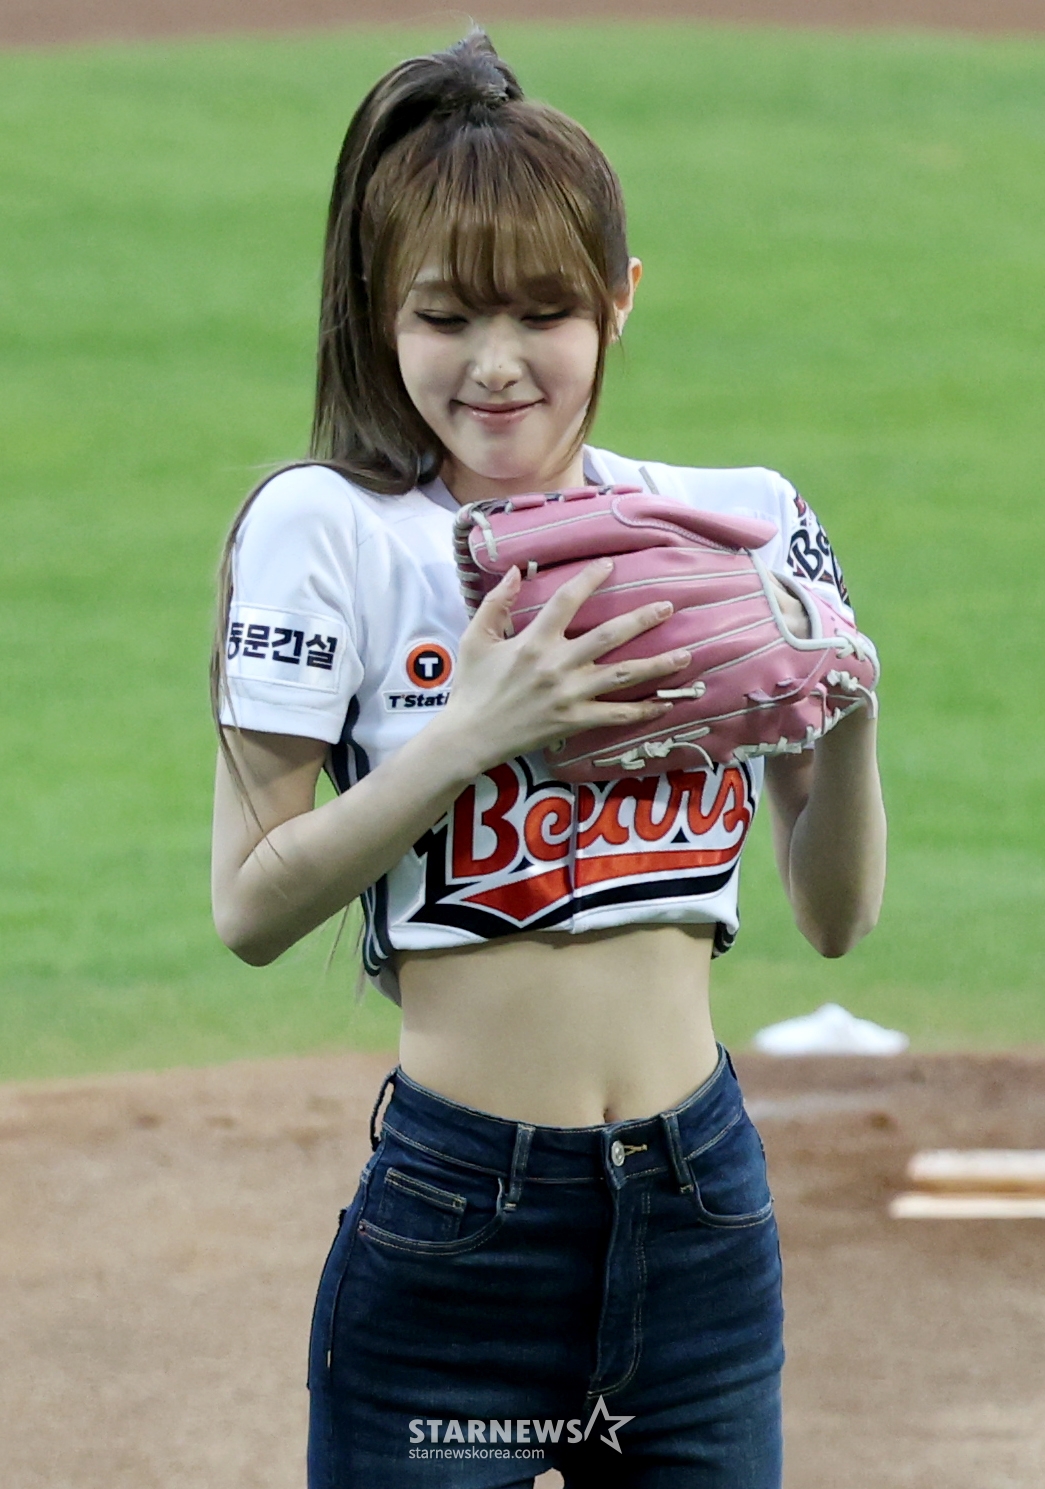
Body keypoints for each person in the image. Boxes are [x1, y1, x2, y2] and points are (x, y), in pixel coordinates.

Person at [209, 29, 886, 1489]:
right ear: (380, 312)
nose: (497, 363)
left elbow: (834, 919)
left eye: (545, 311)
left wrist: (851, 713)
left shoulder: (740, 526)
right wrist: (476, 733)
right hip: (460, 1225)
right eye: (446, 316)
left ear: (619, 298)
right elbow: (251, 906)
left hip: (700, 1210)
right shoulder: (329, 534)